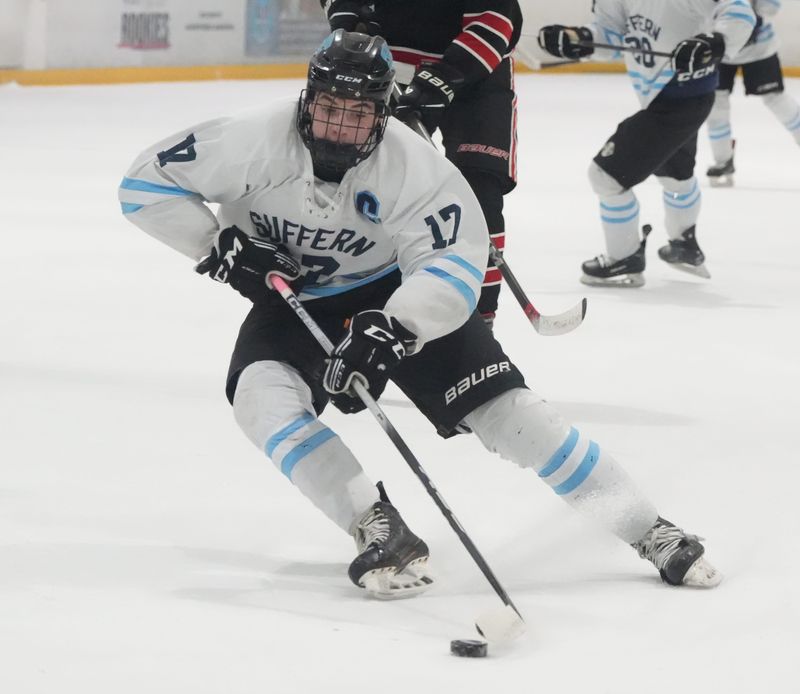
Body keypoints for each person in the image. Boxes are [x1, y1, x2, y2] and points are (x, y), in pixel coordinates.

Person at [119, 30, 720, 599]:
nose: (341, 125)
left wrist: (396, 326)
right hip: (297, 297)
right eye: (330, 107)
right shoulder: (250, 139)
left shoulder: (418, 169)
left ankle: (648, 528)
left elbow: (454, 263)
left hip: (393, 294)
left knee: (514, 418)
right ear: (307, 100)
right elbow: (144, 185)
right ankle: (374, 524)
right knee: (259, 399)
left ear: (383, 113)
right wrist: (218, 246)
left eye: (359, 114)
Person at [320, 0, 523, 327]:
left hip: (479, 73)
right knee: (367, 180)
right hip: (387, 69)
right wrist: (351, 24)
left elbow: (496, 19)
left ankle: (478, 322)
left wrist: (444, 78)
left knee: (479, 191)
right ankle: (361, 298)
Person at [538, 0, 756, 287]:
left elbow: (739, 11)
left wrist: (715, 42)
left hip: (683, 96)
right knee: (675, 174)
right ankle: (685, 243)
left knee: (605, 176)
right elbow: (611, 34)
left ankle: (623, 258)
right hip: (662, 96)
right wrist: (580, 41)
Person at [705, 0, 800, 186]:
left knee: (776, 99)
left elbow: (772, 7)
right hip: (719, 48)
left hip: (759, 49)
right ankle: (723, 159)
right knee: (716, 102)